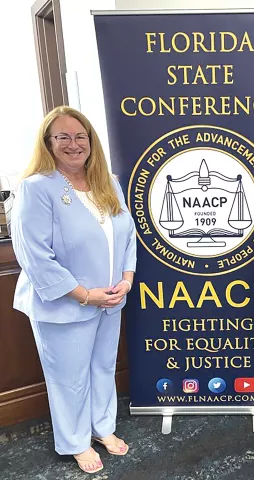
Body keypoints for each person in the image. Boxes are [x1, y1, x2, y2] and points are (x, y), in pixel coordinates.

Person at [11, 106, 137, 474]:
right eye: (62, 137)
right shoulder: (36, 188)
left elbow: (127, 236)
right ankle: (75, 442)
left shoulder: (107, 182)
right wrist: (84, 294)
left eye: (80, 136)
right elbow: (35, 256)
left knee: (102, 367)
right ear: (48, 143)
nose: (73, 144)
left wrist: (126, 281)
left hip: (111, 300)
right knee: (69, 378)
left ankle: (102, 427)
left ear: (91, 141)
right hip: (65, 306)